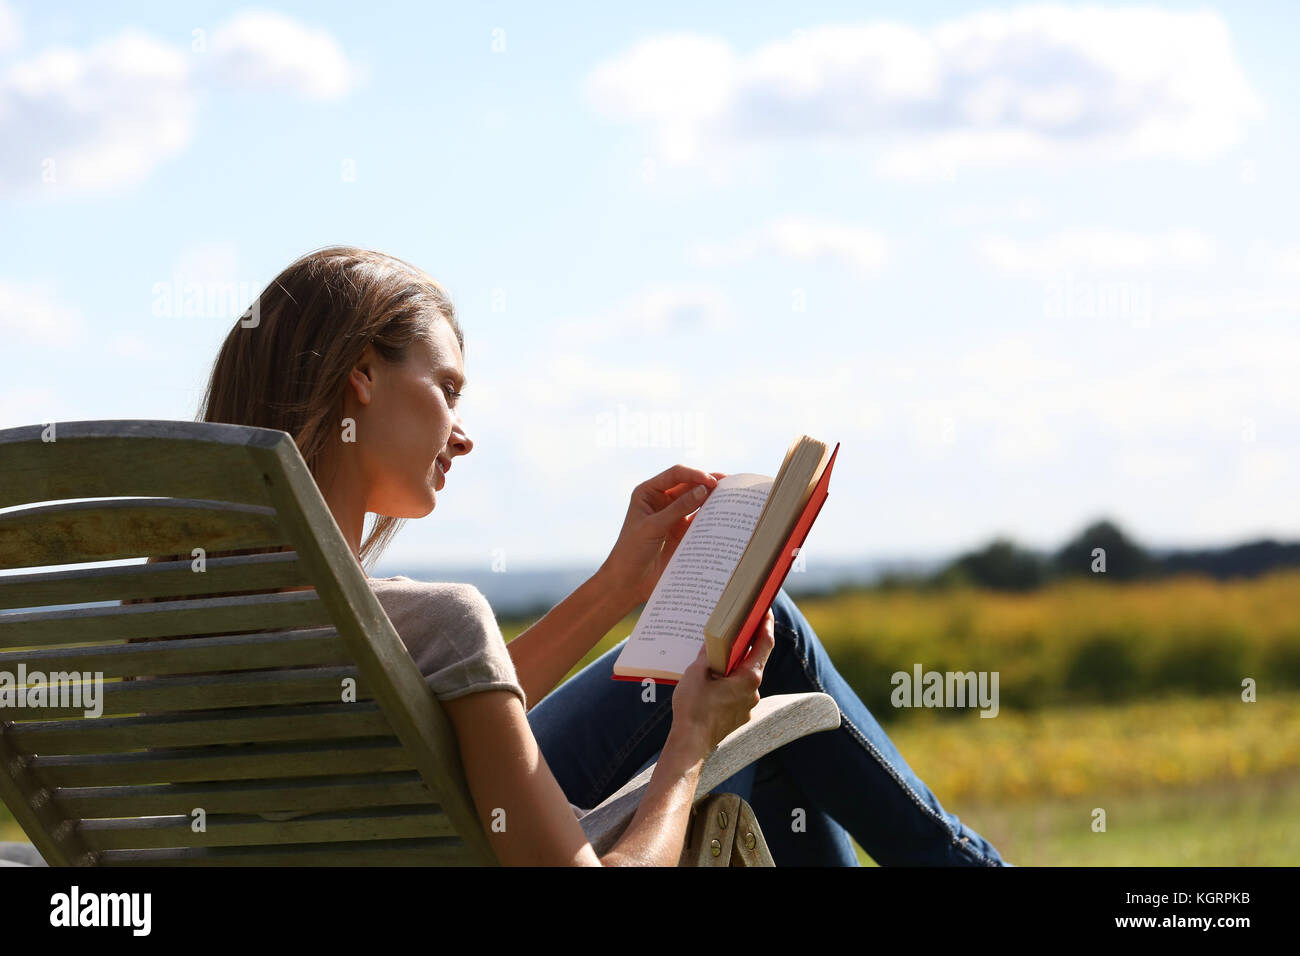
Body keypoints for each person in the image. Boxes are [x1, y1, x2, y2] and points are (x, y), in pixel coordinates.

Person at [0, 245, 1006, 867]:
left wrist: (617, 587)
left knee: (754, 671)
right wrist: (692, 741)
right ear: (360, 378)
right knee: (759, 673)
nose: (464, 432)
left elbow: (416, 724)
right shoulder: (434, 618)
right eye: (446, 387)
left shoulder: (163, 626)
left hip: (398, 830)